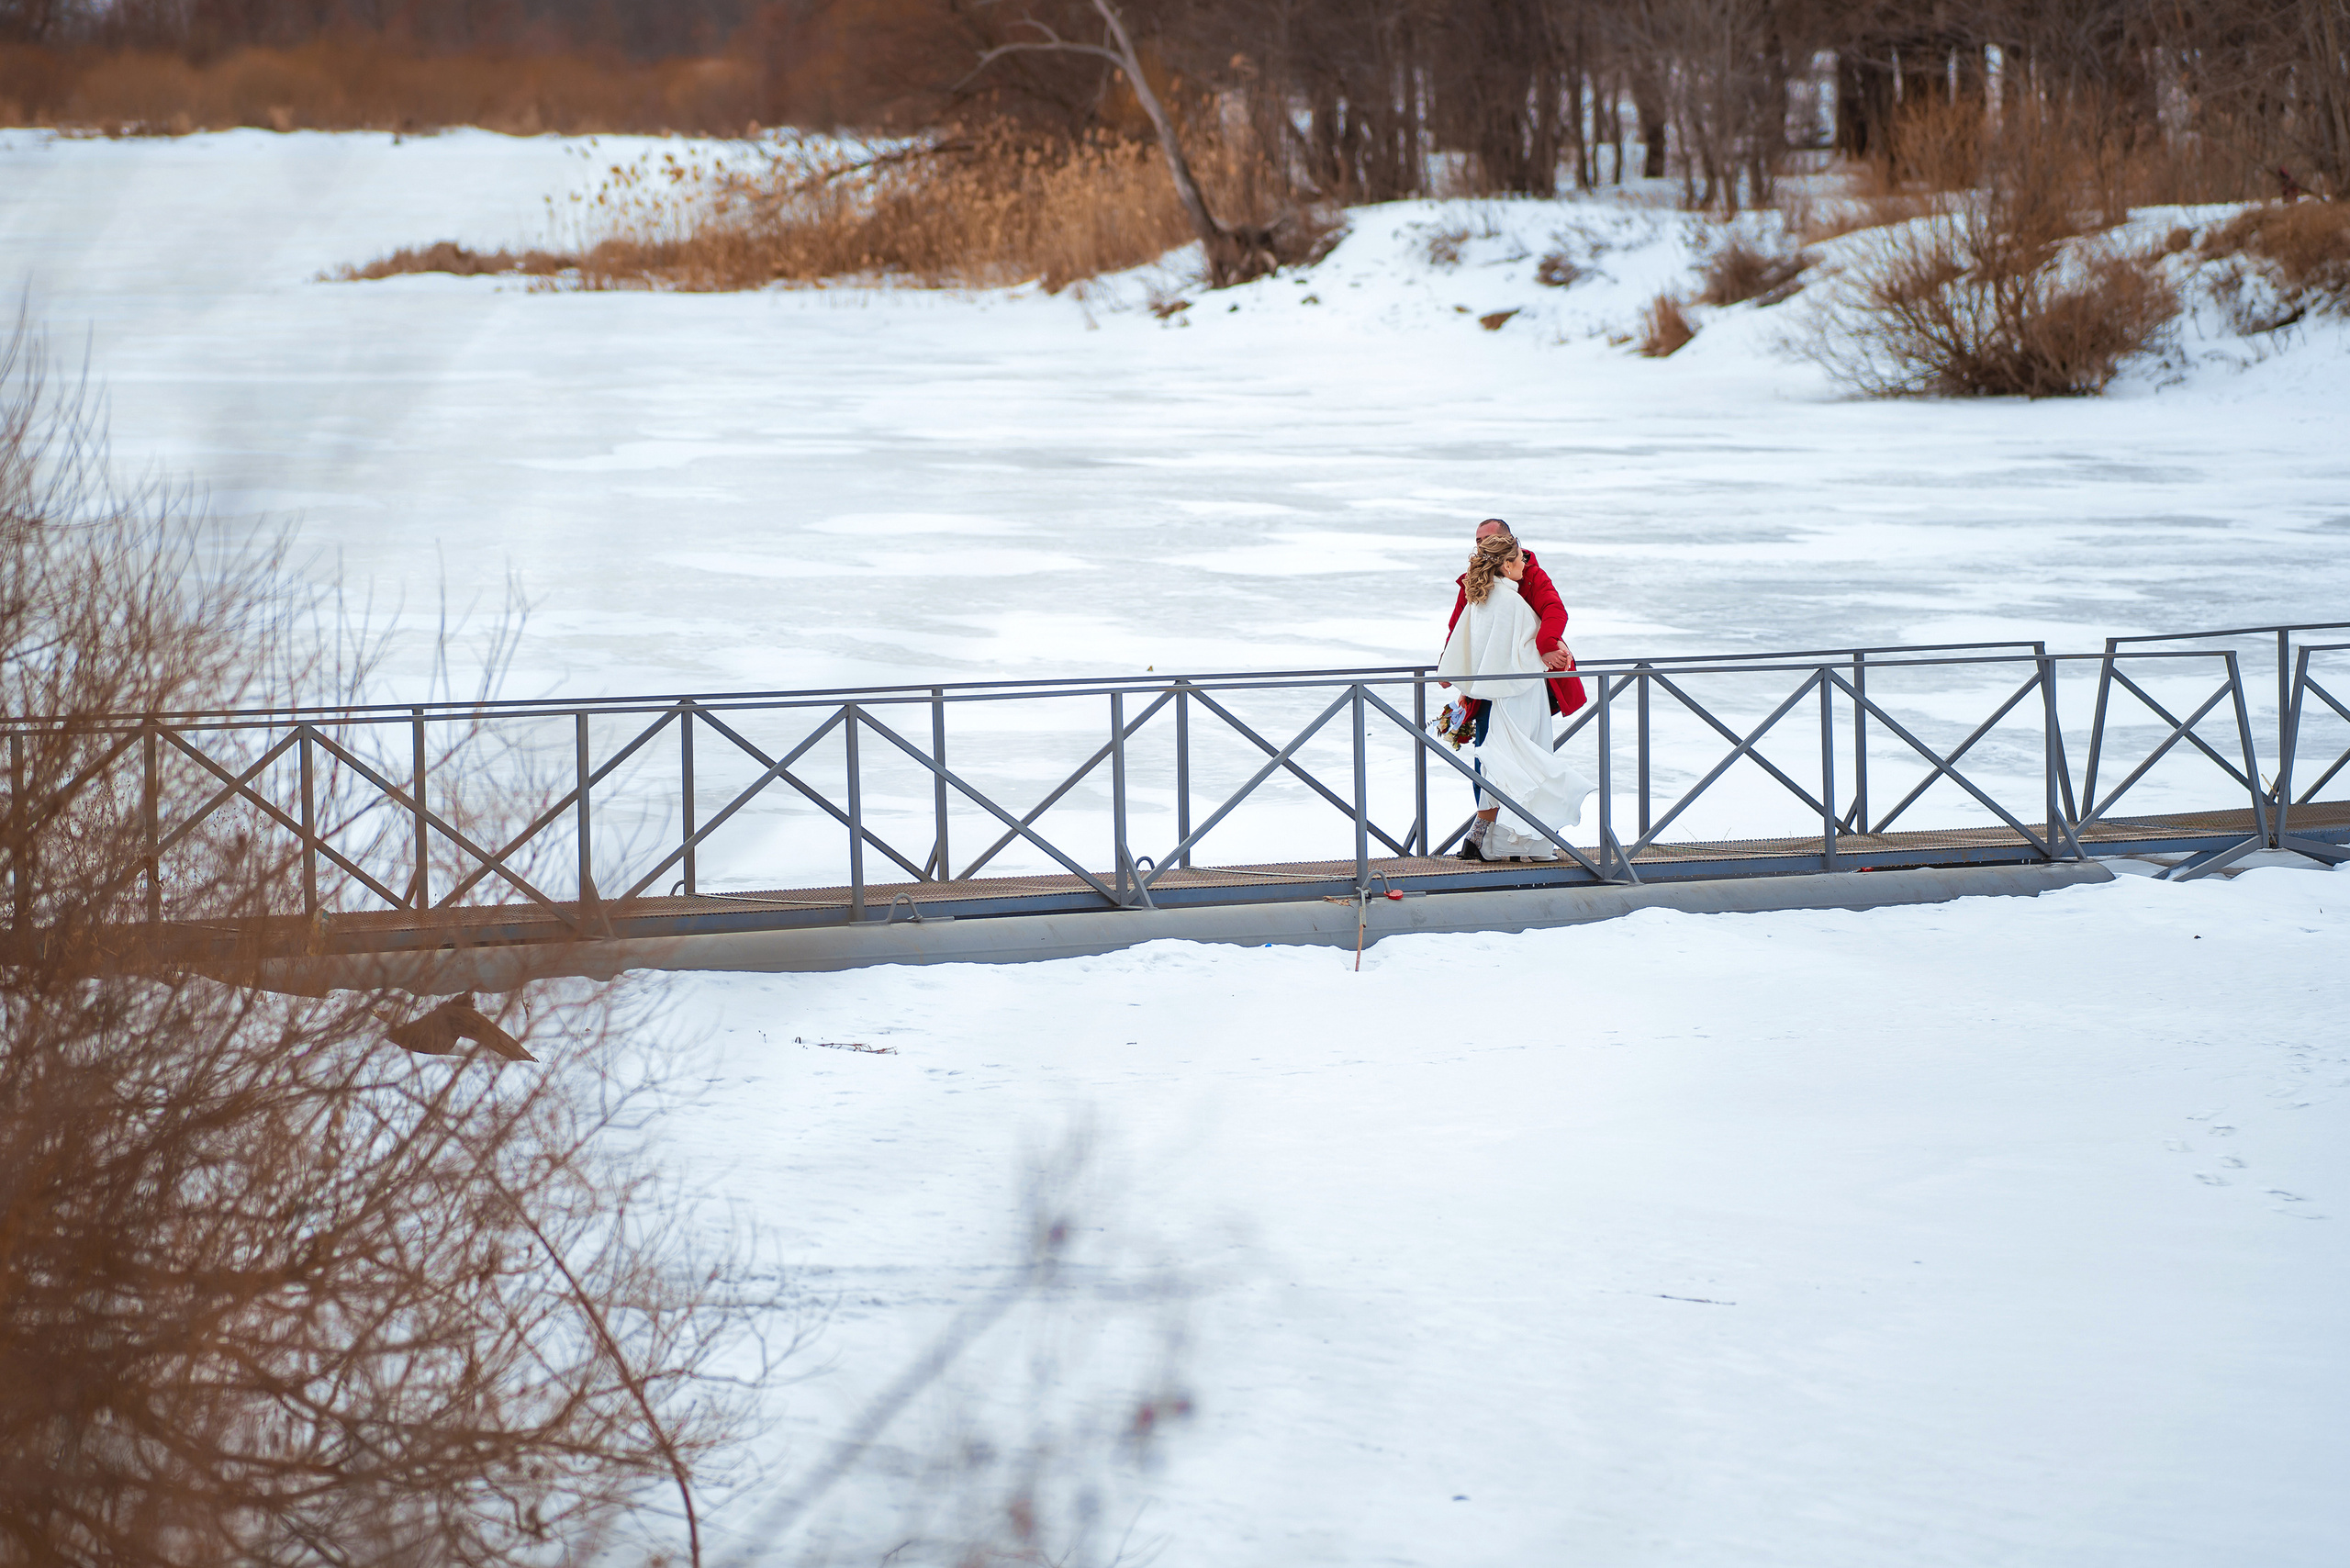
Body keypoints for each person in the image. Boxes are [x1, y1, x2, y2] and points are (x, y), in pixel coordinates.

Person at [1437, 532, 1596, 862]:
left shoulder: (1480, 598)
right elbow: (1525, 655)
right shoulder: (1512, 602)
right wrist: (1554, 650)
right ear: (1507, 565)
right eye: (1520, 558)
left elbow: (1471, 645)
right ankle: (1526, 844)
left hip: (1497, 699)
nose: (1526, 562)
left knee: (1505, 766)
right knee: (1530, 763)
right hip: (1522, 696)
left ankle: (1495, 842)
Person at [1444, 518, 1583, 719]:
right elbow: (1459, 627)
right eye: (1478, 540)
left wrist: (1547, 645)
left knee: (1524, 736)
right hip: (1486, 673)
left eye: (1489, 538)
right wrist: (1451, 666)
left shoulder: (1531, 575)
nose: (1483, 545)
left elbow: (1554, 610)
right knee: (1489, 738)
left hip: (1524, 677)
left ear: (1508, 540)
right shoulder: (1473, 582)